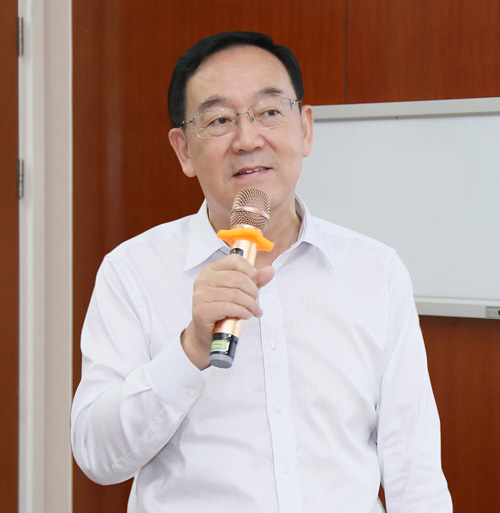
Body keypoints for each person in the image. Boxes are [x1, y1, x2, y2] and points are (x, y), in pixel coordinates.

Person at [71, 31, 452, 513]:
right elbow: (98, 457)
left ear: (305, 128)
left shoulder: (376, 270)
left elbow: (413, 467)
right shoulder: (132, 271)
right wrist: (189, 349)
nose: (248, 139)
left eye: (269, 112)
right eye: (219, 120)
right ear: (184, 150)